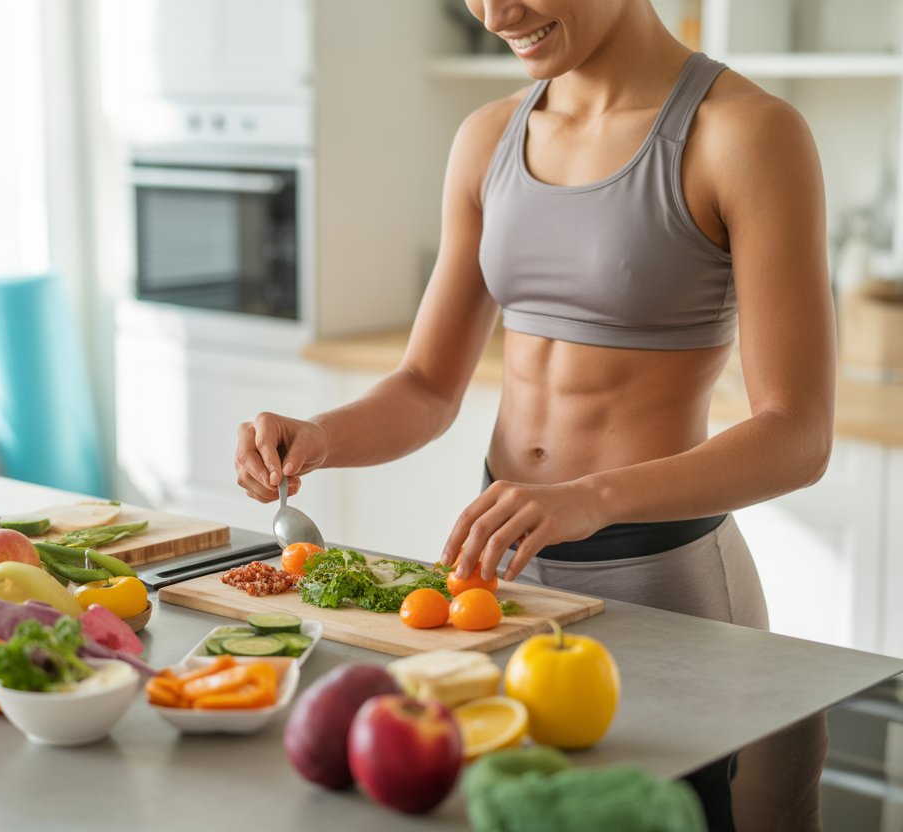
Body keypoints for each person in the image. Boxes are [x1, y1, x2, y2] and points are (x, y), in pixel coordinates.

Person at [235, 1, 834, 830]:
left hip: (661, 584)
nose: (494, 13)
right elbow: (426, 385)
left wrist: (589, 498)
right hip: (503, 581)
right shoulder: (488, 137)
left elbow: (797, 436)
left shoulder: (743, 133)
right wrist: (323, 436)